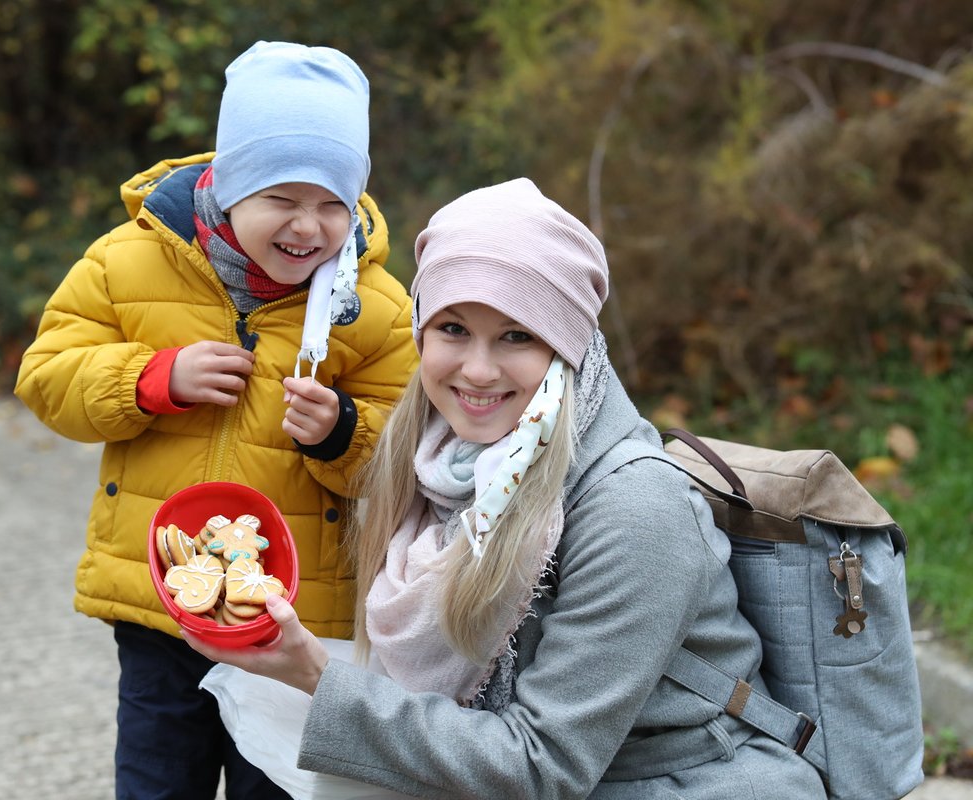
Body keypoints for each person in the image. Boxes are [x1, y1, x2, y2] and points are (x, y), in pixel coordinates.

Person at [185, 178, 828, 799]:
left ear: (567, 349)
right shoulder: (438, 463)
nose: (479, 369)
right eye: (453, 329)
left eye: (517, 335)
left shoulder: (638, 510)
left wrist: (316, 677)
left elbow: (544, 768)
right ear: (420, 335)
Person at [14, 41, 418, 800]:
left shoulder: (375, 307)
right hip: (161, 597)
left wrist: (341, 431)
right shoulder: (125, 263)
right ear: (229, 184)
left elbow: (408, 453)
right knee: (158, 780)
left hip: (294, 616)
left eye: (333, 203)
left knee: (277, 783)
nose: (310, 226)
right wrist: (151, 378)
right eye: (282, 199)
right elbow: (46, 375)